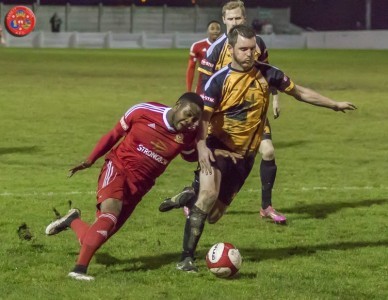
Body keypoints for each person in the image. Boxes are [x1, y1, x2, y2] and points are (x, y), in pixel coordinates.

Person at [175, 24, 357, 272]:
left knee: (215, 215)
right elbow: (203, 120)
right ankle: (186, 259)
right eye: (243, 49)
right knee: (207, 196)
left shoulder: (269, 74)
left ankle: (191, 193)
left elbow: (300, 92)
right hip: (218, 147)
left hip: (246, 157)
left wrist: (334, 104)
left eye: (253, 49)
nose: (250, 54)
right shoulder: (218, 82)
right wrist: (201, 146)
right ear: (231, 49)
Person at [45, 93, 224, 281]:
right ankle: (78, 270)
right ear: (178, 105)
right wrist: (90, 160)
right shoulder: (144, 111)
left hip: (140, 186)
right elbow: (114, 134)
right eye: (188, 114)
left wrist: (214, 152)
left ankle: (73, 220)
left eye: (196, 119)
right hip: (117, 168)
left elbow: (189, 156)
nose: (191, 122)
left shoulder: (189, 135)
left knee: (99, 233)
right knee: (110, 214)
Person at [159, 0, 284, 224]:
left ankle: (266, 206)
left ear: (244, 19)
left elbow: (268, 74)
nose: (235, 22)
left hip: (254, 113)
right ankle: (193, 198)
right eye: (231, 19)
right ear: (224, 19)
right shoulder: (216, 49)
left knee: (268, 152)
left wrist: (275, 97)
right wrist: (200, 114)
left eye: (238, 18)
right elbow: (204, 83)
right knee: (213, 162)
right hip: (223, 116)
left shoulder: (257, 44)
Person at [186, 20, 222, 94]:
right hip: (202, 87)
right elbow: (191, 68)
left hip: (220, 87)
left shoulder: (226, 46)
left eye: (217, 29)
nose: (215, 31)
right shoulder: (197, 46)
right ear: (207, 31)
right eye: (212, 28)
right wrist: (189, 91)